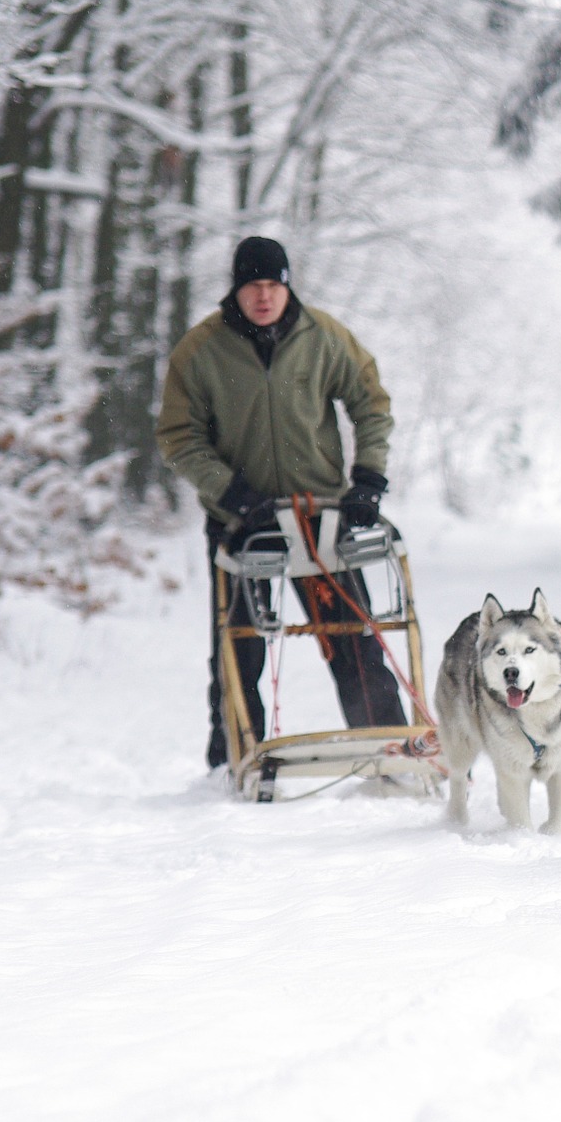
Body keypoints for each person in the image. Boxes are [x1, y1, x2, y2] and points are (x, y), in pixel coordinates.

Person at [156, 236, 408, 769]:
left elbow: (372, 404)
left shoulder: (324, 338)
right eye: (253, 286)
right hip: (242, 523)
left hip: (319, 518)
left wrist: (368, 478)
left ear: (287, 285)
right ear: (237, 289)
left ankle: (388, 745)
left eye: (273, 284)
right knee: (239, 645)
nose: (264, 296)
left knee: (350, 638)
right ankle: (234, 759)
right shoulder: (201, 350)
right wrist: (230, 493)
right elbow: (179, 436)